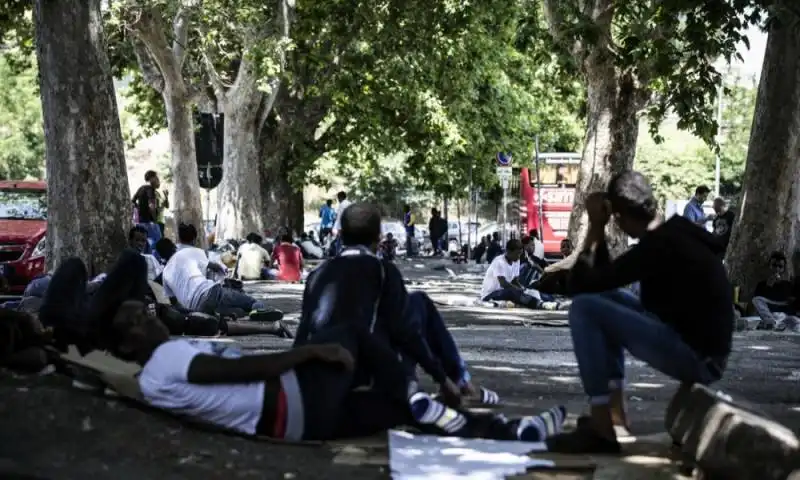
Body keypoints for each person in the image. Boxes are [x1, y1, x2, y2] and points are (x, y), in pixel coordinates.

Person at [116, 301, 565, 442]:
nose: (151, 315)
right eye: (140, 318)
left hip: (301, 422)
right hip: (293, 396)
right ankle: (409, 391)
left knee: (405, 414)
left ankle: (514, 431)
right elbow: (244, 368)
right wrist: (310, 355)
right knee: (347, 330)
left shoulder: (157, 373)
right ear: (127, 343)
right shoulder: (165, 361)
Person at [547, 171, 732, 454]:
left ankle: (601, 427)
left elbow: (580, 284)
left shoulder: (659, 245)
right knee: (601, 298)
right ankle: (616, 414)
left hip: (698, 357)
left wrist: (597, 226)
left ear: (618, 218)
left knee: (584, 309)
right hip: (699, 345)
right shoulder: (675, 232)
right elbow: (601, 281)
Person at [295, 203, 508, 407]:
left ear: (340, 236)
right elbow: (406, 332)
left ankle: (456, 382)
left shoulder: (317, 275)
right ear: (378, 238)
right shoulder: (382, 271)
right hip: (368, 380)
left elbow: (303, 334)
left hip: (322, 381)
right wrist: (441, 378)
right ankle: (461, 383)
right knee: (419, 303)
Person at [162, 224, 280, 319]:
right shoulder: (194, 251)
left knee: (234, 311)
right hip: (211, 292)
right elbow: (215, 267)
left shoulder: (165, 273)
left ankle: (235, 314)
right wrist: (223, 274)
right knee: (250, 302)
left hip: (197, 308)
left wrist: (191, 313)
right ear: (194, 239)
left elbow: (174, 304)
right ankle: (261, 311)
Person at [479, 239, 541, 308]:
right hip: (490, 294)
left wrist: (523, 289)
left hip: (504, 292)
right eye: (517, 254)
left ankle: (540, 301)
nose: (518, 256)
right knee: (512, 292)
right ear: (508, 251)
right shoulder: (499, 262)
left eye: (520, 254)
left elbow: (515, 281)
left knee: (530, 291)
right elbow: (503, 283)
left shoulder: (516, 261)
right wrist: (518, 290)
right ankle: (537, 304)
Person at [751, 252, 794, 329]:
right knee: (756, 299)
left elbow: (790, 303)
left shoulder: (788, 285)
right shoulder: (761, 284)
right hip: (768, 315)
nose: (777, 269)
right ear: (769, 266)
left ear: (783, 269)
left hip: (784, 315)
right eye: (774, 265)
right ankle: (771, 322)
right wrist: (768, 286)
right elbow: (758, 304)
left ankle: (776, 323)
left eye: (780, 266)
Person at [132, 171, 163, 250]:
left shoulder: (141, 188)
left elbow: (133, 201)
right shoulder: (150, 189)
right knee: (159, 245)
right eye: (157, 178)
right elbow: (151, 206)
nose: (158, 181)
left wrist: (139, 208)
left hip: (140, 223)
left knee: (144, 246)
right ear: (152, 179)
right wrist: (155, 220)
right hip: (149, 223)